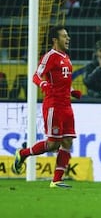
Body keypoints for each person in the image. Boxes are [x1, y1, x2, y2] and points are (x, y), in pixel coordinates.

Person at [12, 25, 82, 188]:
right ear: (55, 40)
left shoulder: (66, 57)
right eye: (64, 36)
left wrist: (72, 91)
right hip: (53, 106)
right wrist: (43, 84)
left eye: (68, 35)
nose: (68, 38)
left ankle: (56, 180)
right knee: (53, 144)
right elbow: (36, 75)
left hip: (66, 106)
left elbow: (63, 81)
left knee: (68, 141)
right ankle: (23, 154)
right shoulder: (50, 56)